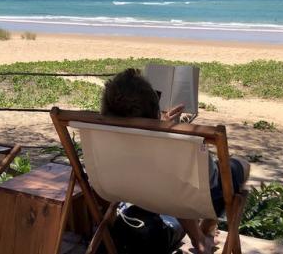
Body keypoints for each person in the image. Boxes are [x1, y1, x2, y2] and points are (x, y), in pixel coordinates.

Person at [101, 68, 250, 254]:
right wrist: (180, 134)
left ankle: (202, 236)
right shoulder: (167, 145)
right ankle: (205, 234)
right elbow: (208, 179)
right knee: (242, 166)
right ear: (153, 109)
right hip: (180, 195)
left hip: (135, 191)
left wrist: (163, 127)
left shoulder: (102, 134)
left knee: (172, 184)